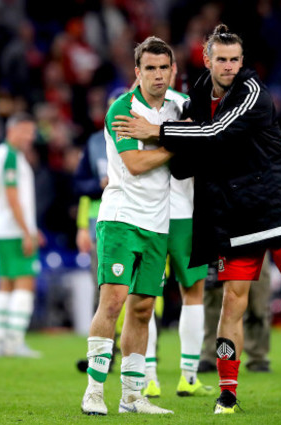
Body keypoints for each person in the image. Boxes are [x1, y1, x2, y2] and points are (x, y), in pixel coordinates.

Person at [113, 24, 281, 414]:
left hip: (280, 206)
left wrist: (157, 131)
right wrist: (173, 149)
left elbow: (212, 133)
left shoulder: (253, 93)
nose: (229, 67)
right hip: (238, 213)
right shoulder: (198, 92)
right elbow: (194, 149)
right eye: (222, 60)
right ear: (207, 59)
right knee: (232, 303)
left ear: (242, 62)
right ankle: (227, 392)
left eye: (235, 60)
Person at [79, 36, 182, 416]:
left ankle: (132, 396)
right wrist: (177, 142)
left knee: (142, 310)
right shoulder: (122, 109)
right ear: (137, 72)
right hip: (122, 218)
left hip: (158, 222)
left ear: (173, 71)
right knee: (113, 303)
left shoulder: (179, 107)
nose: (157, 75)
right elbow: (136, 166)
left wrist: (162, 133)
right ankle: (93, 389)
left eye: (163, 68)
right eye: (150, 68)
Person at [142, 167, 215, 398]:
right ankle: (189, 378)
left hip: (149, 214)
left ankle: (149, 379)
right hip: (185, 213)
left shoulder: (140, 129)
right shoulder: (188, 127)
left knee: (145, 297)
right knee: (193, 295)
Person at [0, 112, 43, 358]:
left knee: (5, 283)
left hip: (0, 228)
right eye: (27, 131)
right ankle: (15, 341)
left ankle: (1, 340)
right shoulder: (10, 156)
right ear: (14, 130)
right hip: (12, 230)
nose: (31, 137)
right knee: (24, 282)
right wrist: (26, 230)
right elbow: (12, 196)